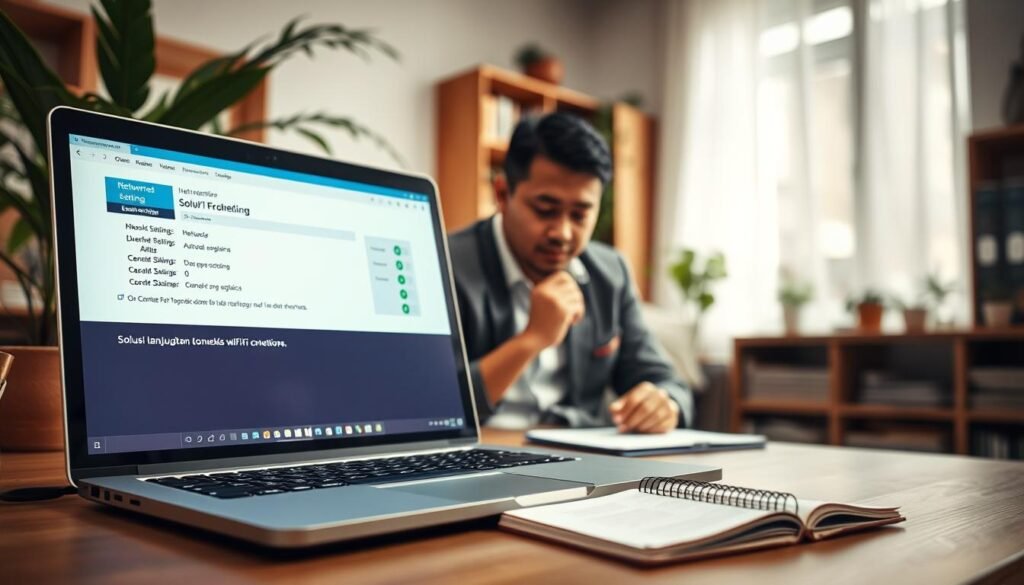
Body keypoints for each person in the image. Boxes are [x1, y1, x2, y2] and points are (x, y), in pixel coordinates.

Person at [448, 112, 693, 433]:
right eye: (545, 210)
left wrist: (664, 404)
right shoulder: (447, 262)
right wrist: (532, 339)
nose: (562, 232)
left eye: (579, 215)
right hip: (482, 452)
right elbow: (434, 405)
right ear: (502, 194)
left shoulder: (610, 272)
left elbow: (666, 381)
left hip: (578, 456)